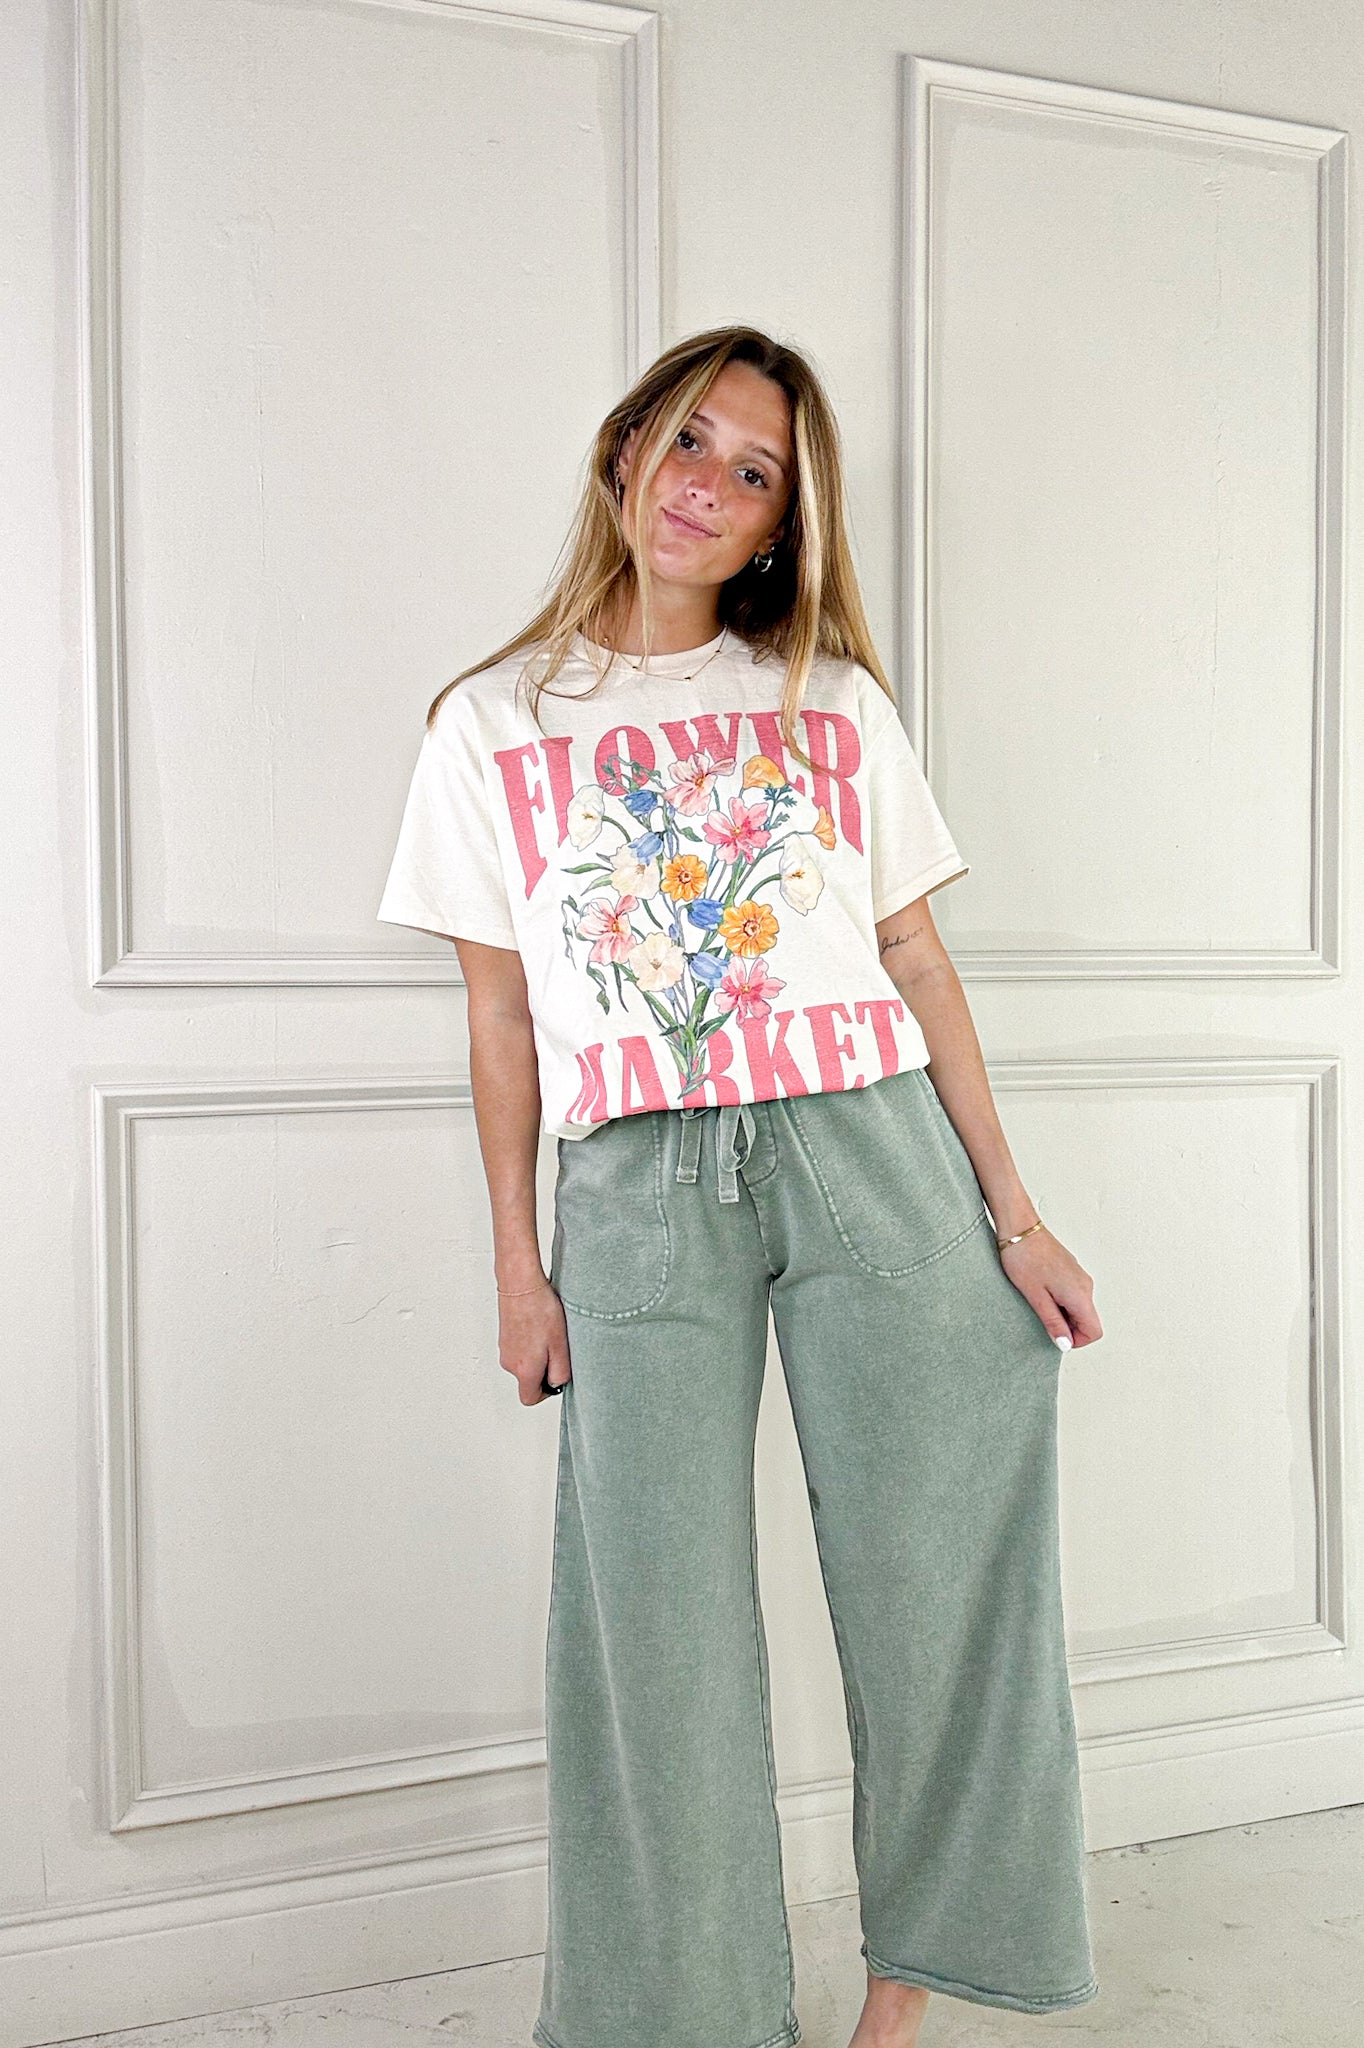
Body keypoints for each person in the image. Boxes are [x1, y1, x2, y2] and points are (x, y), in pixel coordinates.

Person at [376, 324, 1104, 2048]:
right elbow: (501, 1019)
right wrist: (518, 1268)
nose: (707, 483)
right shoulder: (490, 721)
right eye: (689, 439)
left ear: (783, 522)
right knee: (655, 1633)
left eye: (755, 470)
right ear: (627, 447)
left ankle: (905, 1998)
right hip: (635, 1190)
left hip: (869, 1149)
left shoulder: (828, 702)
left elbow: (913, 959)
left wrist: (1014, 1214)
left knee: (939, 1571)